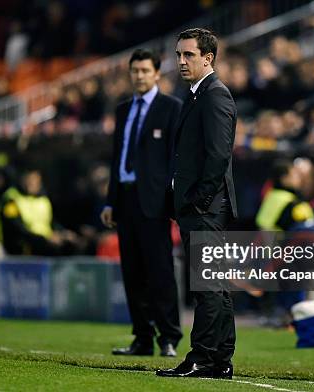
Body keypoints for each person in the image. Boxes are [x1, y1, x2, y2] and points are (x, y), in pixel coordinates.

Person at [157, 28, 238, 379]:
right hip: (199, 206)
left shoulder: (214, 95)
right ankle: (220, 359)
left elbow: (219, 156)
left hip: (205, 208)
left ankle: (203, 358)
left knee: (207, 285)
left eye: (188, 55)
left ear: (208, 58)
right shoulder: (196, 95)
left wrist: (199, 200)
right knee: (214, 284)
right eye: (178, 55)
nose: (181, 61)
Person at [101, 49, 183, 357]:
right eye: (135, 70)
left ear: (157, 74)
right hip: (125, 197)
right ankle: (142, 337)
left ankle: (169, 336)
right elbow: (117, 158)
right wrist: (110, 200)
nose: (139, 76)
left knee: (160, 271)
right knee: (132, 272)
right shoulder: (123, 110)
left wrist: (171, 199)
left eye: (145, 70)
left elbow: (175, 158)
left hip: (154, 201)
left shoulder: (171, 108)